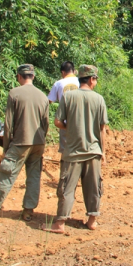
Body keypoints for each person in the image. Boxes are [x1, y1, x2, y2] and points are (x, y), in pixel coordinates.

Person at [0, 64, 49, 222]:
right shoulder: (43, 96)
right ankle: (28, 211)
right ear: (33, 76)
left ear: (19, 76)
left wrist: (5, 148)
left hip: (20, 142)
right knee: (33, 177)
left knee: (5, 175)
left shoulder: (14, 93)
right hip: (38, 142)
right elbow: (45, 123)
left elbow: (8, 124)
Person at [43, 65, 108, 234]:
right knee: (94, 187)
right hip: (93, 151)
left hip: (72, 152)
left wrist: (71, 127)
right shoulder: (99, 99)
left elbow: (57, 122)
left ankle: (60, 223)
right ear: (92, 79)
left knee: (66, 188)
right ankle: (92, 220)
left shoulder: (68, 97)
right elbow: (102, 129)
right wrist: (103, 153)